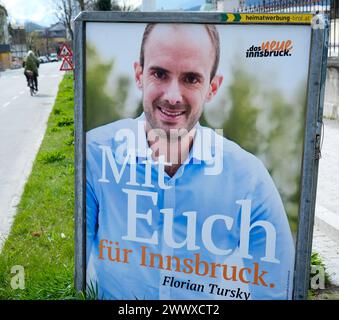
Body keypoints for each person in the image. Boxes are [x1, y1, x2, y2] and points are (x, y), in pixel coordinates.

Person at [86, 23, 295, 300]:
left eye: (191, 78)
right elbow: (68, 268)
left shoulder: (248, 177)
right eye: (159, 74)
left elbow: (277, 291)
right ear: (139, 75)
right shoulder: (95, 153)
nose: (173, 97)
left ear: (212, 87)